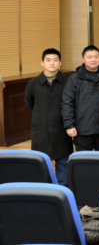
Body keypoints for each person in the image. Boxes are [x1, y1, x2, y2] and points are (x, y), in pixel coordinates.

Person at [25, 49, 74, 186]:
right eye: (48, 60)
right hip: (40, 129)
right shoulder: (34, 83)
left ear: (60, 63)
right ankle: (44, 189)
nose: (52, 63)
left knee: (63, 161)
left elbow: (72, 103)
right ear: (42, 63)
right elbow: (29, 103)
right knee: (41, 161)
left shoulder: (68, 81)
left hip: (61, 127)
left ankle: (62, 189)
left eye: (55, 60)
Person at [62, 45, 99, 152]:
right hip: (81, 130)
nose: (93, 59)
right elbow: (67, 102)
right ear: (83, 59)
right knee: (84, 160)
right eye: (89, 57)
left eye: (96, 56)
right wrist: (69, 125)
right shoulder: (74, 79)